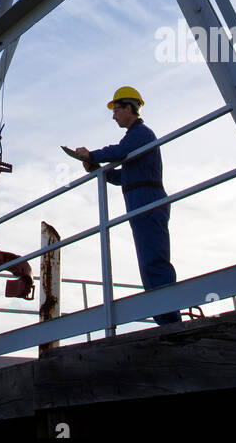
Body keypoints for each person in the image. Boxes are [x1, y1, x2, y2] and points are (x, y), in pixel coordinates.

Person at [69, 86, 181, 326]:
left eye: (116, 109)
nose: (113, 115)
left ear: (130, 107)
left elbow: (118, 152)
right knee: (148, 261)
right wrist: (99, 171)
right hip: (139, 199)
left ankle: (171, 320)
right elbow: (123, 177)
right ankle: (164, 318)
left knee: (154, 260)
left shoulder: (141, 134)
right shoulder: (134, 139)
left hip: (148, 200)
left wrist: (91, 155)